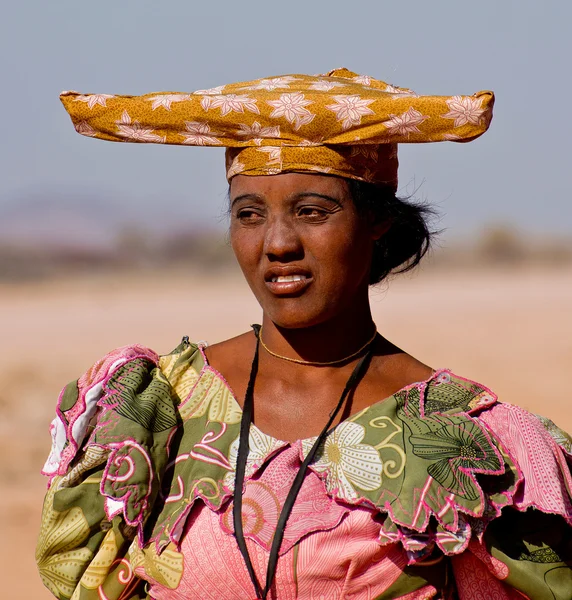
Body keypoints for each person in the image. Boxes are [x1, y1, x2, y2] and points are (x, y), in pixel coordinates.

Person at [37, 69, 572, 600]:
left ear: (377, 220)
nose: (277, 243)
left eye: (312, 211)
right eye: (249, 214)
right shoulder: (159, 404)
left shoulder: (457, 435)